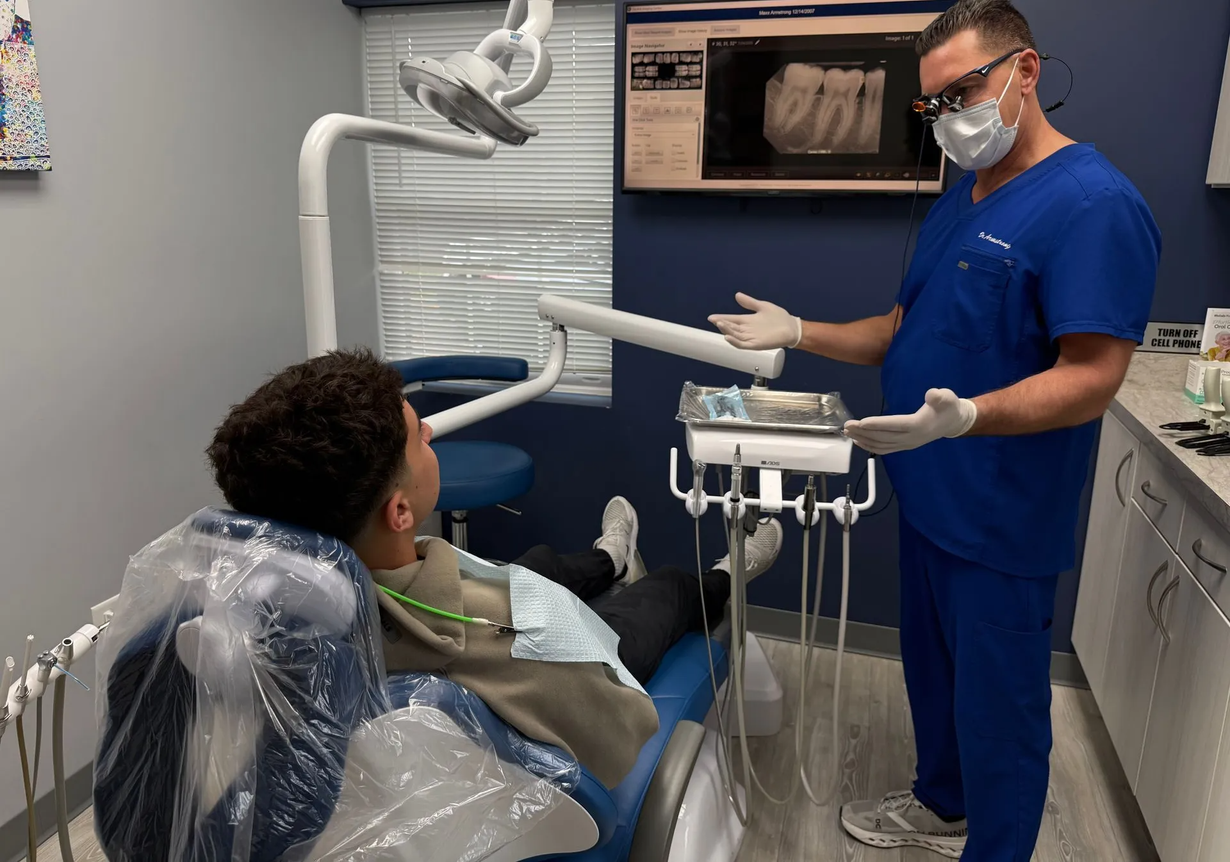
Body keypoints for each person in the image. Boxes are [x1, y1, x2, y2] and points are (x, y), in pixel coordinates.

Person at [708, 1, 1160, 859]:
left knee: (1001, 716)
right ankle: (942, 805)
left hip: (1000, 520)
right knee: (936, 678)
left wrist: (973, 417)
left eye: (964, 90)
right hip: (929, 500)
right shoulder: (963, 198)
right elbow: (897, 327)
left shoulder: (1095, 204)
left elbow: (1094, 376)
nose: (950, 115)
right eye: (935, 103)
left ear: (1025, 72)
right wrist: (800, 330)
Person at [205, 347, 783, 790]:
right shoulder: (496, 630)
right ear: (400, 511)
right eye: (417, 437)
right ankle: (728, 572)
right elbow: (624, 732)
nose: (429, 431)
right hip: (587, 649)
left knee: (535, 566)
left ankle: (609, 556)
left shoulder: (271, 615)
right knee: (667, 590)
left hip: (473, 600)